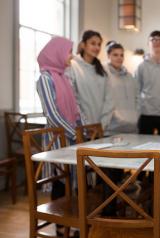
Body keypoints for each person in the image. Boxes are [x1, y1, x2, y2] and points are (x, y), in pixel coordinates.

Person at [37, 36, 82, 237]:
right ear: (57, 53)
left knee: (74, 183)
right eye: (68, 51)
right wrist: (73, 133)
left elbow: (75, 109)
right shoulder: (45, 79)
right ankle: (60, 229)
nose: (71, 55)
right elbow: (52, 114)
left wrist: (82, 129)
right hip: (58, 141)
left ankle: (72, 224)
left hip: (71, 139)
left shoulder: (64, 76)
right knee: (60, 183)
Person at [66, 30, 113, 132]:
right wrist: (85, 125)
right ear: (83, 45)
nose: (97, 48)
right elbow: (73, 99)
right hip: (80, 129)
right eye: (93, 43)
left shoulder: (103, 70)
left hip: (100, 129)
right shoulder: (72, 66)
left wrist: (101, 125)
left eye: (99, 44)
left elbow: (109, 100)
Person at [105, 41, 139, 134]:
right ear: (108, 56)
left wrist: (136, 116)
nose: (119, 58)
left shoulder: (130, 77)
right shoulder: (104, 75)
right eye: (115, 55)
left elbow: (137, 98)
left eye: (121, 55)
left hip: (132, 128)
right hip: (111, 129)